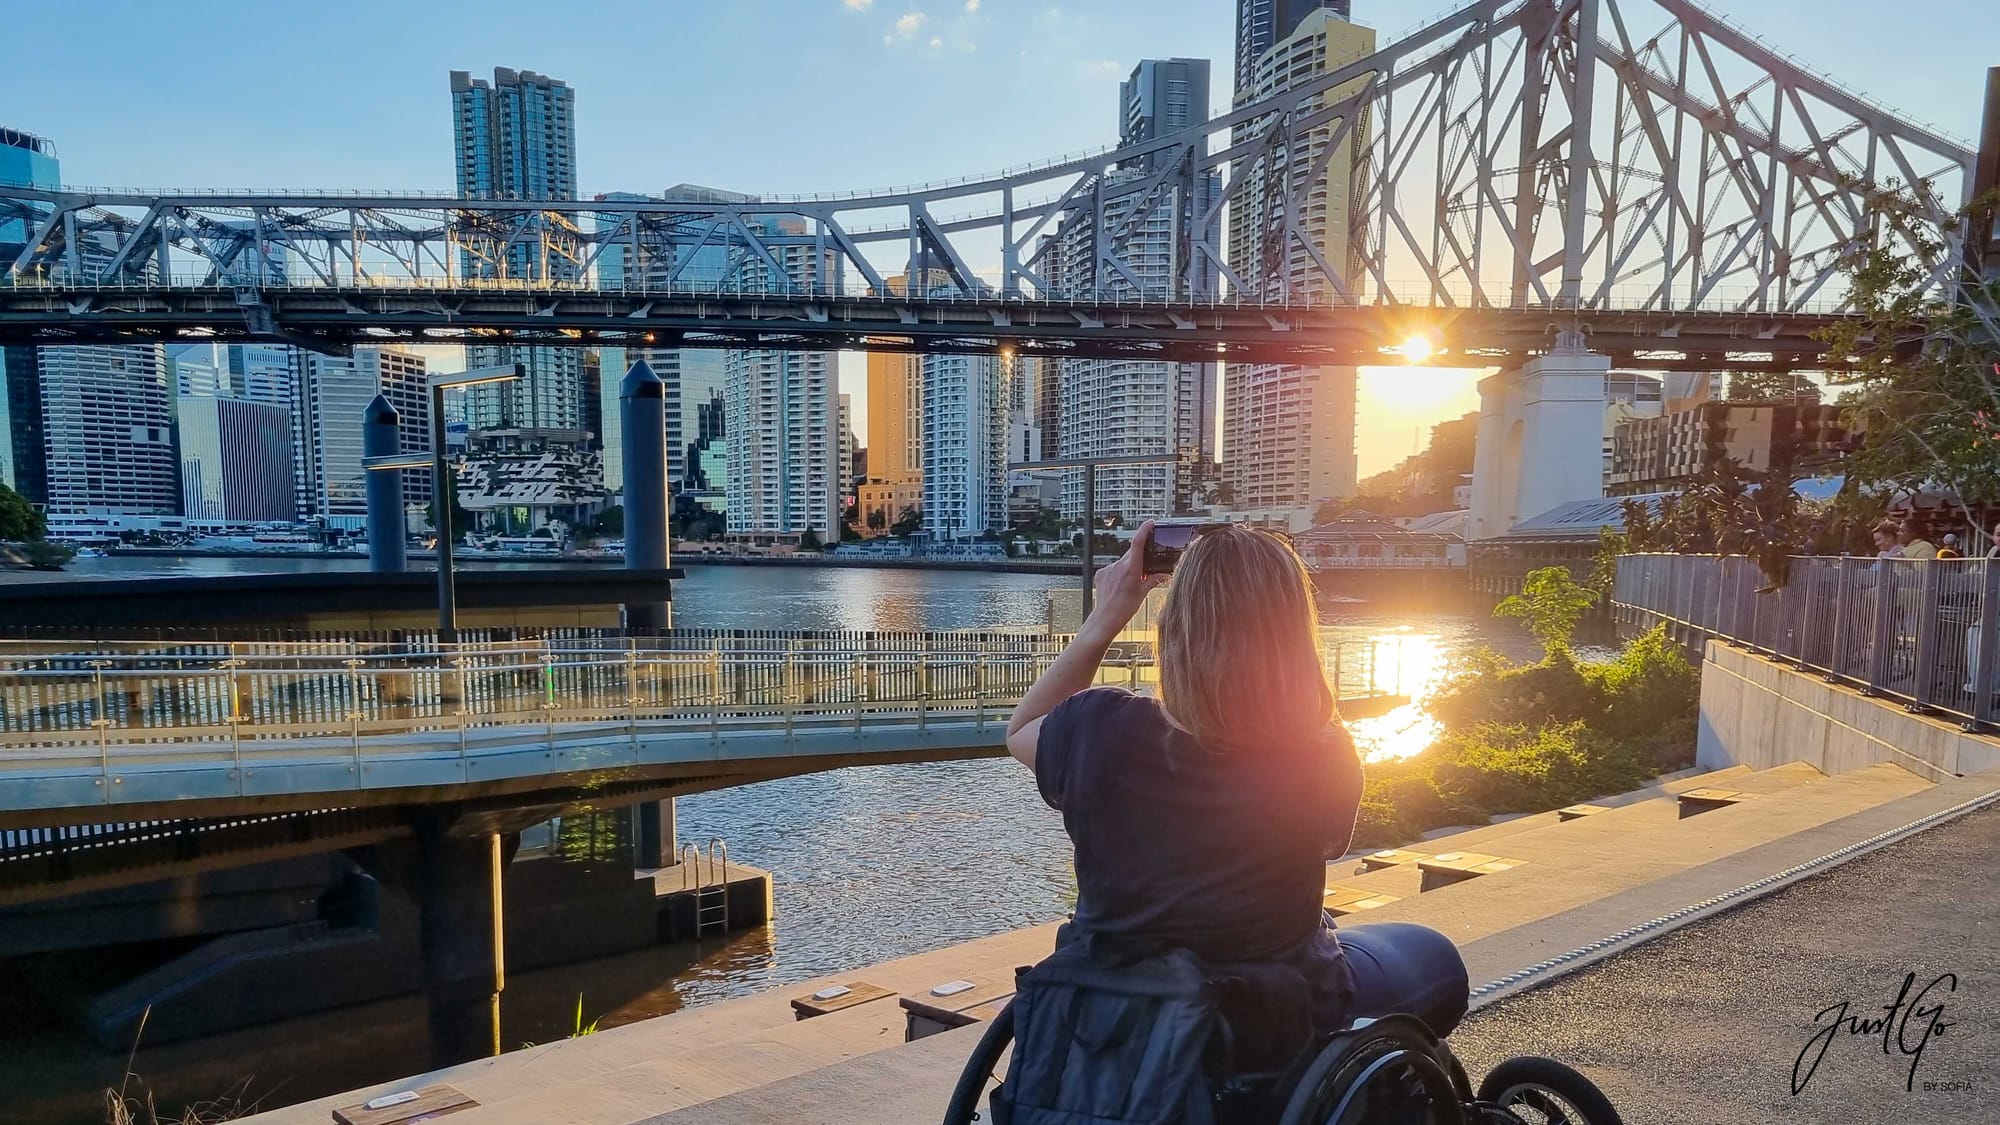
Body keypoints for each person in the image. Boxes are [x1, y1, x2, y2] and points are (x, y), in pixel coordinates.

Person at [1004, 521, 1469, 1041]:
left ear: (1175, 627)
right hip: (1271, 1009)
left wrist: (1105, 616)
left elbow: (1021, 729)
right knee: (1436, 958)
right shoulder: (1319, 751)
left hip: (1115, 1013)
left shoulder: (1097, 726)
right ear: (1293, 632)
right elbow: (1333, 844)